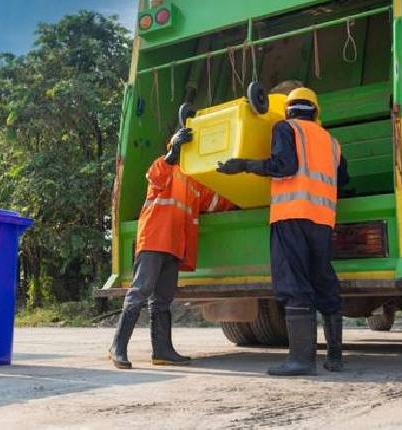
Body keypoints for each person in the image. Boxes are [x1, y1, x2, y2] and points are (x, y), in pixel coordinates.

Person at [217, 87, 349, 375]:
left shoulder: (285, 128)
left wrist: (243, 165)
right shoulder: (331, 142)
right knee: (324, 281)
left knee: (294, 284)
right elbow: (344, 178)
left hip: (291, 216)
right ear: (315, 111)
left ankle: (301, 360)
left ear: (287, 109)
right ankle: (335, 357)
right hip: (323, 220)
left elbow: (284, 166)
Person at [109, 127, 235, 369]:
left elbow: (219, 201)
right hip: (155, 240)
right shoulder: (164, 167)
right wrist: (172, 154)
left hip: (174, 245)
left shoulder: (195, 182)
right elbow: (156, 176)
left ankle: (163, 351)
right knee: (140, 291)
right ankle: (118, 346)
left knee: (163, 299)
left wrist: (234, 177)